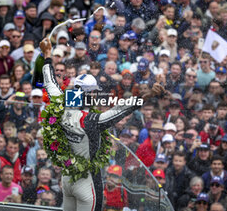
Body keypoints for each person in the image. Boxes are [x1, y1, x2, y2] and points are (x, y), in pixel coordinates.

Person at [40, 37, 165, 211]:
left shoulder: (59, 107)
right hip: (87, 183)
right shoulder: (91, 121)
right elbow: (122, 109)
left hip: (67, 179)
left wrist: (47, 55)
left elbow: (50, 82)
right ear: (89, 95)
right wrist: (149, 95)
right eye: (94, 94)